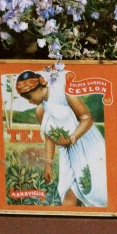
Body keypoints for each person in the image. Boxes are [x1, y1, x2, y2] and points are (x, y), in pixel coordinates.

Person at [16, 70, 108, 207]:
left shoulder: (64, 93)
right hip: (68, 156)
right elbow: (49, 137)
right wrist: (48, 164)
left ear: (40, 86)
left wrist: (71, 139)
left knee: (95, 191)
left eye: (30, 96)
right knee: (68, 199)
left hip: (87, 147)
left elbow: (87, 119)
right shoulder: (40, 110)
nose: (30, 101)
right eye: (26, 99)